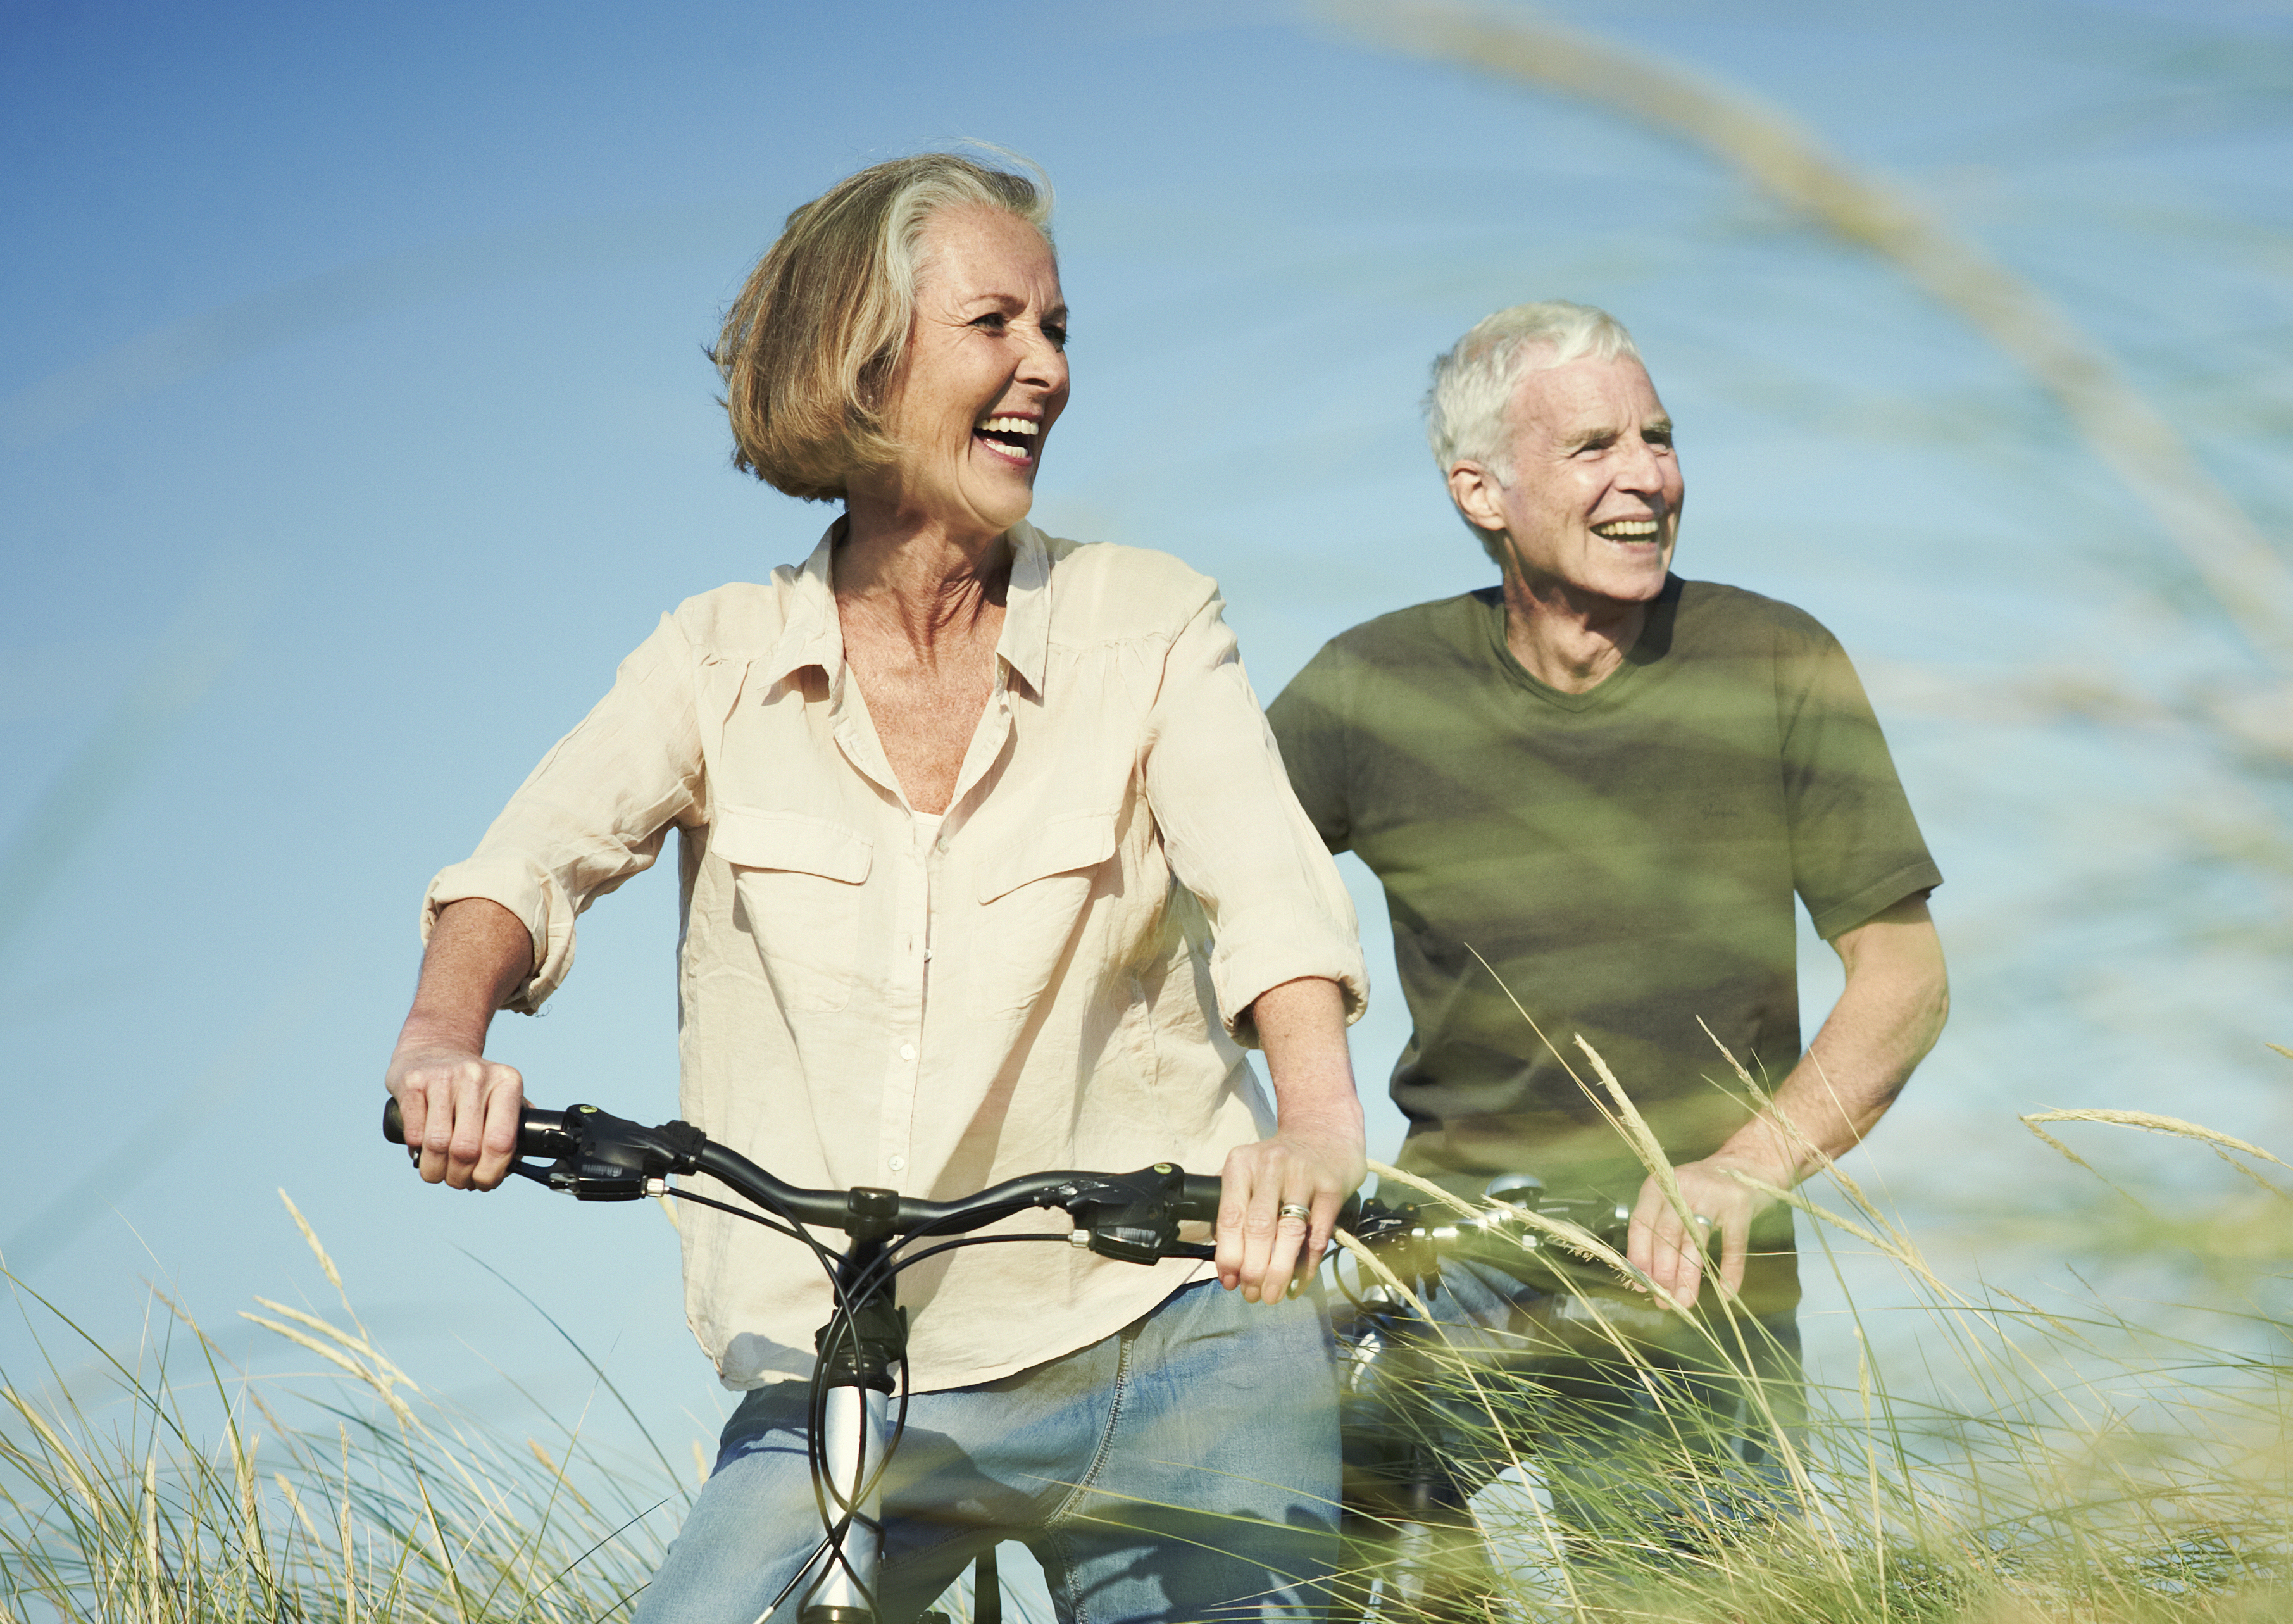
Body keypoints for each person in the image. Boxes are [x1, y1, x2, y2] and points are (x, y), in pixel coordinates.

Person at [381, 153, 1366, 1624]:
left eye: (1059, 329)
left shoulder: (1144, 621)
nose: (1046, 368)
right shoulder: (713, 658)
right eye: (996, 326)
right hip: (854, 1360)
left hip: (1166, 1334)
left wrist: (1314, 1120)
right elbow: (528, 857)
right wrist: (442, 1039)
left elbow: (1265, 883)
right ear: (863, 364)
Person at [1265, 301, 1949, 1592]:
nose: (1646, 475)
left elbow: (1905, 978)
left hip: (1684, 1276)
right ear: (1481, 489)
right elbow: (1199, 889)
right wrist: (1295, 1118)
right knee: (1295, 1556)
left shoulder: (1775, 658)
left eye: (1659, 437)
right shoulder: (1369, 686)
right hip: (1443, 1253)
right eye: (1594, 446)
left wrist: (1743, 1167)